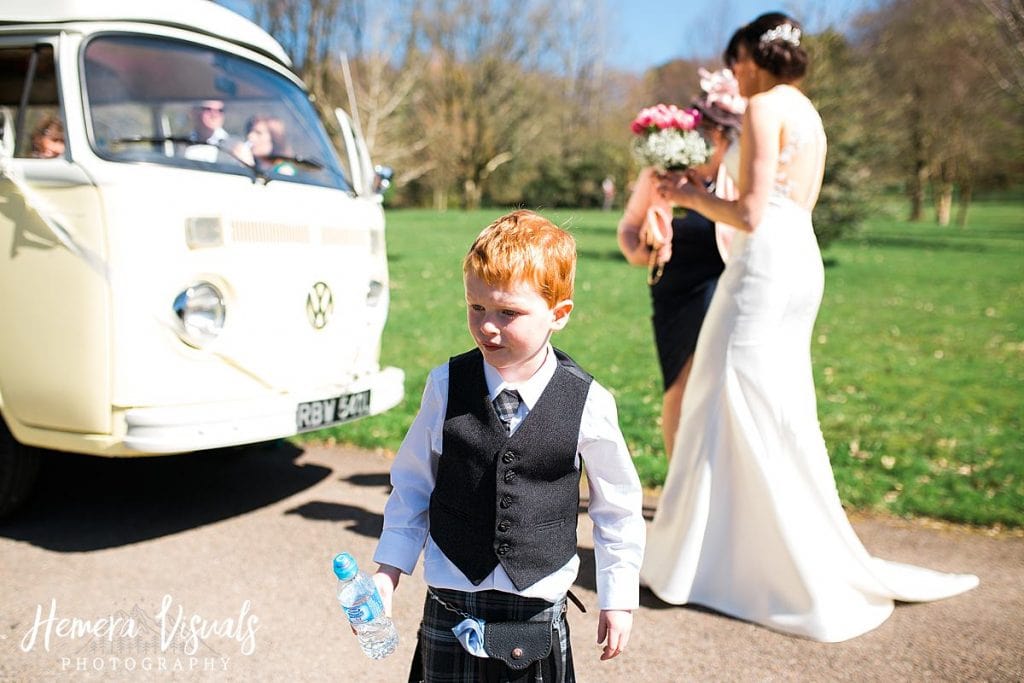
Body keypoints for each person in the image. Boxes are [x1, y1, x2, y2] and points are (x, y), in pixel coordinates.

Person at [641, 12, 978, 642]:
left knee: (724, 395)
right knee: (772, 403)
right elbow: (788, 204)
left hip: (763, 266)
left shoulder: (766, 107)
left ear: (755, 57)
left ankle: (709, 561)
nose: (734, 74)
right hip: (798, 258)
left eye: (737, 61)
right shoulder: (810, 113)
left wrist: (686, 195)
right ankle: (734, 554)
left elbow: (746, 210)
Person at [371, 210, 646, 680]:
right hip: (450, 596)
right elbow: (413, 485)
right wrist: (388, 570)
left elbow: (618, 506)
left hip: (535, 604)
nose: (487, 327)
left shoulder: (588, 402)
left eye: (508, 313)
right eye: (475, 307)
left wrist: (618, 597)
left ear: (558, 314)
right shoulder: (446, 385)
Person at [617, 68, 744, 458]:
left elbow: (746, 223)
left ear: (726, 137)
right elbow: (628, 229)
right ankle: (677, 480)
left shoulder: (735, 177)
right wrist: (641, 254)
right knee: (677, 383)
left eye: (715, 129)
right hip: (671, 289)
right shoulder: (662, 171)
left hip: (720, 284)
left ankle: (713, 474)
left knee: (717, 382)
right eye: (702, 126)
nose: (707, 134)